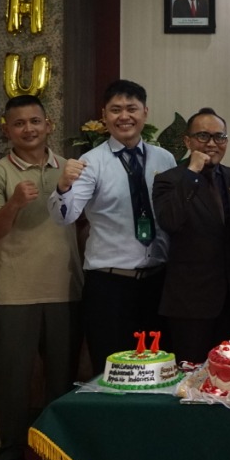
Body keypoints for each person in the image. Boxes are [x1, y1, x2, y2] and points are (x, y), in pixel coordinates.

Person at [0, 95, 83, 460]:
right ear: (7, 130)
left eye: (35, 121)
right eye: (18, 123)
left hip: (66, 289)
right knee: (12, 381)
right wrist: (15, 204)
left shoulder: (70, 169)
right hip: (14, 294)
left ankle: (60, 454)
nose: (28, 129)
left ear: (48, 125)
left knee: (63, 380)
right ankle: (9, 454)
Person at [48, 79, 176, 374]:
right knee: (113, 371)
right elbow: (64, 217)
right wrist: (63, 186)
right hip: (110, 285)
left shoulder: (165, 159)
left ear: (145, 112)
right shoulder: (91, 162)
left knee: (159, 370)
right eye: (116, 110)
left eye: (132, 108)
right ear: (104, 115)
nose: (124, 116)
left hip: (157, 283)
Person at [152, 108, 230, 363]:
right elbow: (170, 221)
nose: (212, 143)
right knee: (191, 375)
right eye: (203, 136)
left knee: (229, 374)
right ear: (187, 141)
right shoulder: (169, 180)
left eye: (219, 137)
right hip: (190, 303)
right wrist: (192, 173)